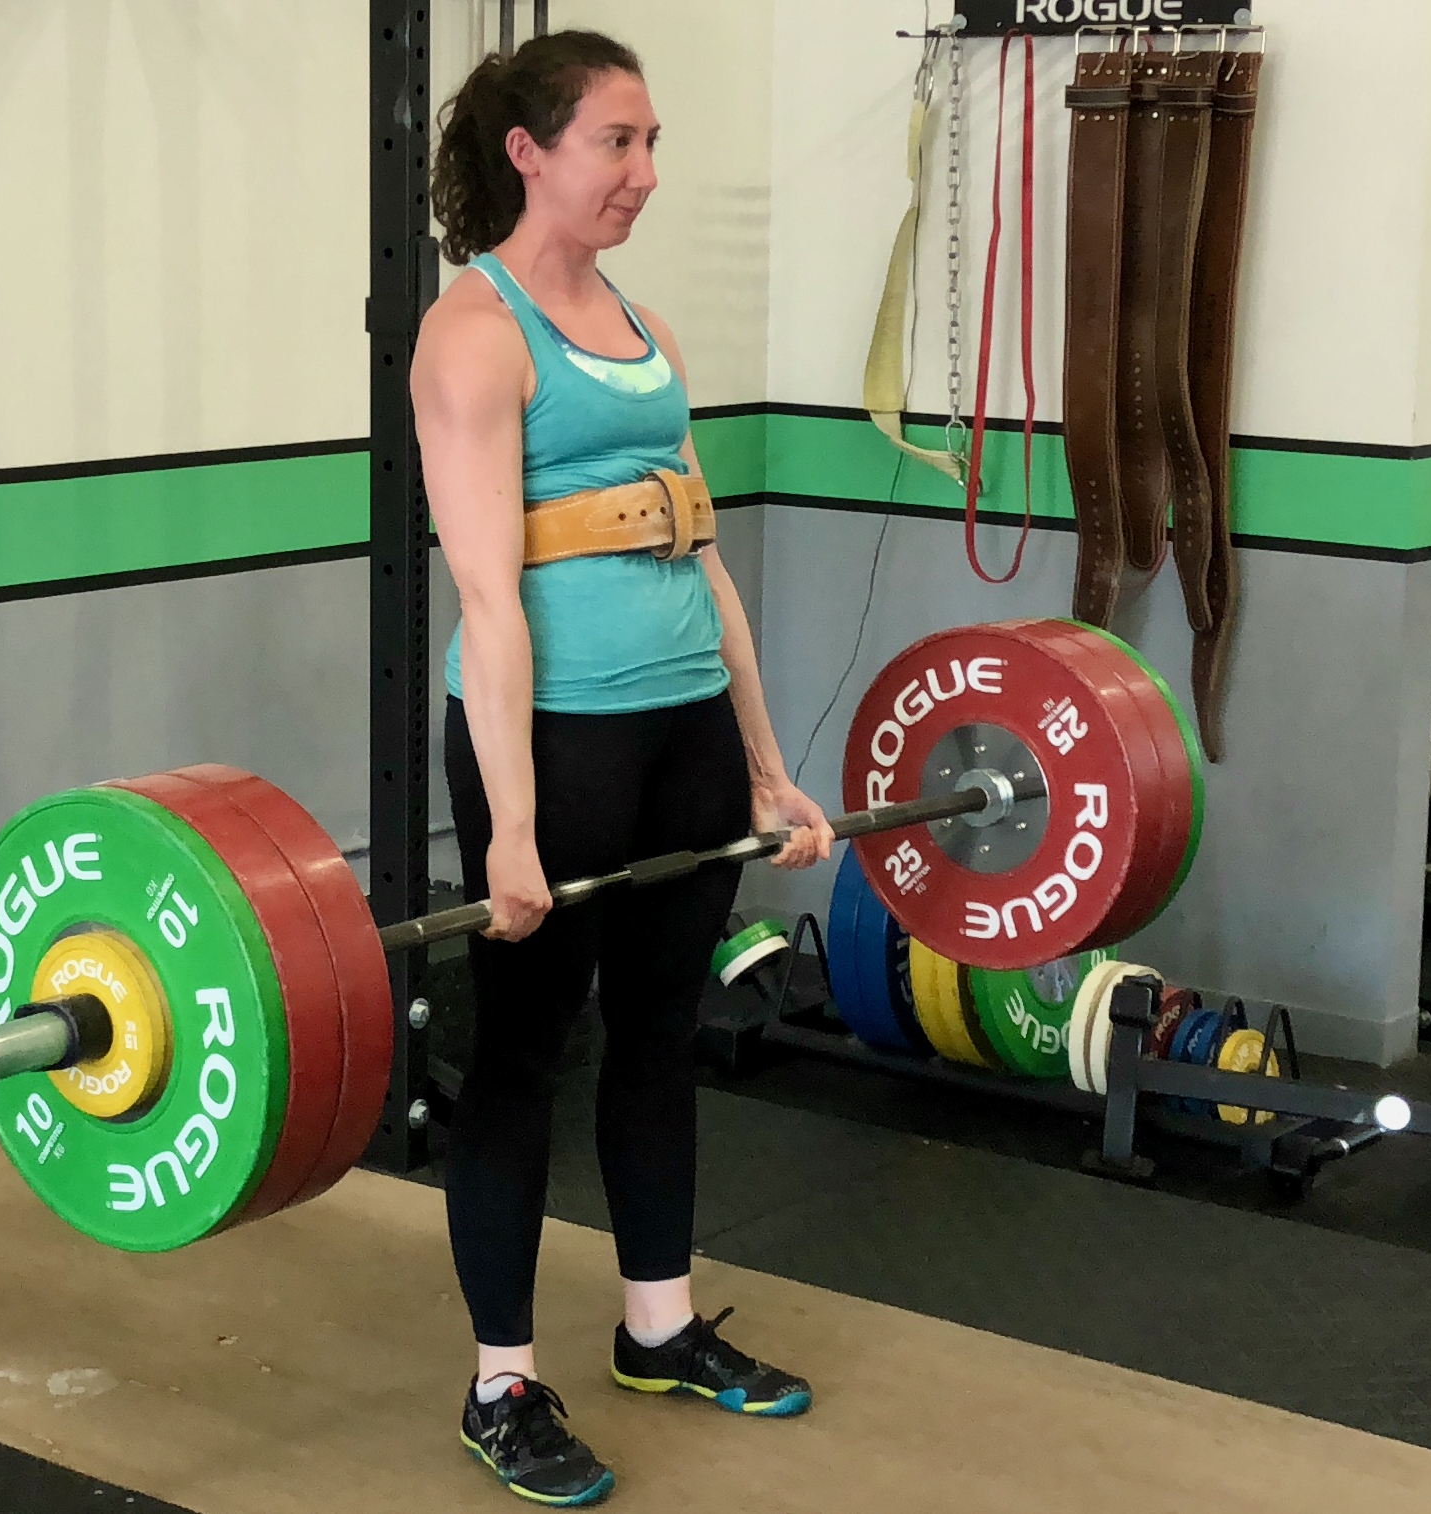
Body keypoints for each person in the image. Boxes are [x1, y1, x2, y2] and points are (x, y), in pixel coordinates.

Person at [411, 30, 835, 1508]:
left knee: (661, 1030)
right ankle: (501, 1384)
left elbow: (701, 554)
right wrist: (512, 826)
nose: (645, 173)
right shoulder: (475, 329)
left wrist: (770, 765)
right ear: (529, 152)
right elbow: (484, 597)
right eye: (615, 142)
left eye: (652, 142)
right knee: (526, 1051)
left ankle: (658, 1325)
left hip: (683, 735)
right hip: (562, 739)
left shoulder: (644, 326)